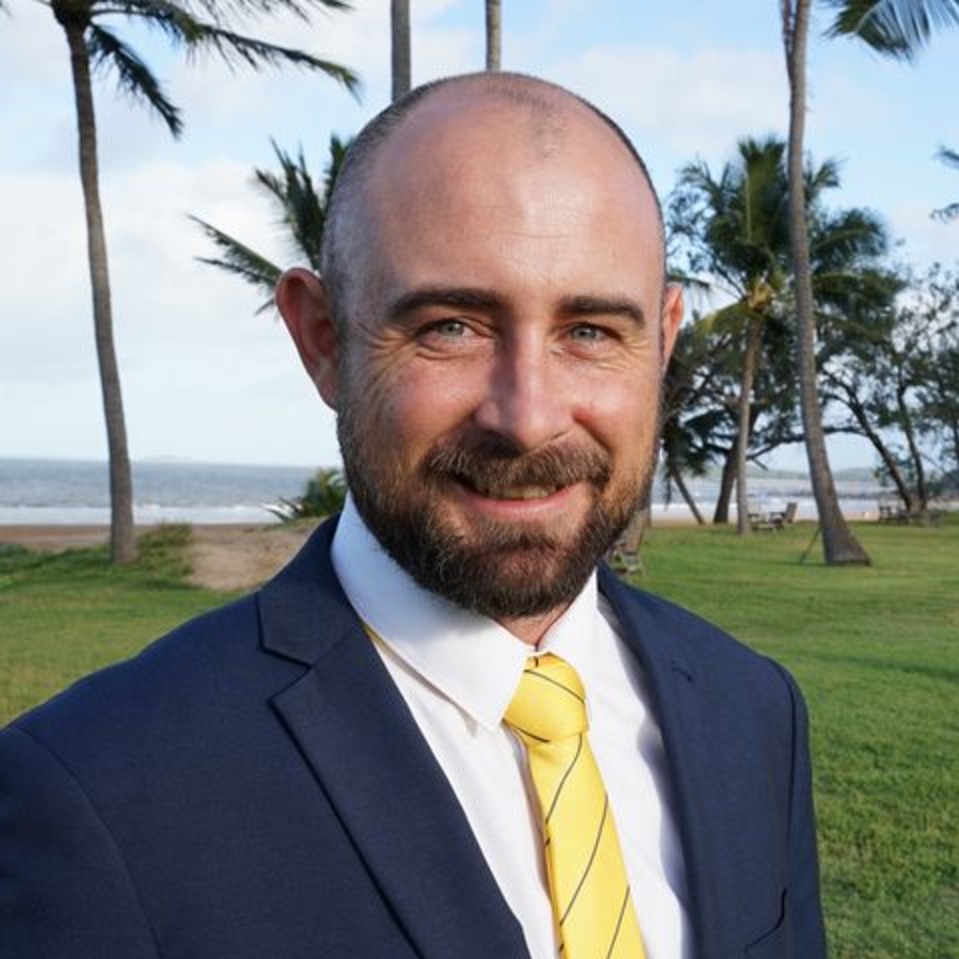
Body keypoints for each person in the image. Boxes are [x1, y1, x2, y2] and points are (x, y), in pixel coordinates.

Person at [0, 73, 826, 959]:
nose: (528, 417)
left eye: (589, 330)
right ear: (323, 339)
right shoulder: (96, 795)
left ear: (661, 340)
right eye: (450, 326)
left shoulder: (752, 710)